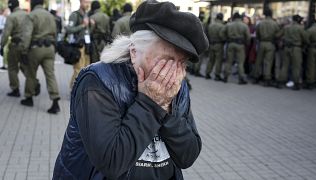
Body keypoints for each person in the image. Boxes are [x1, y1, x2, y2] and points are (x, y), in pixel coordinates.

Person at [53, 1, 207, 179]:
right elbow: (112, 163)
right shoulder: (98, 82)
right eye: (165, 60)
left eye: (181, 63)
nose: (172, 73)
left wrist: (167, 110)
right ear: (134, 52)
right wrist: (151, 103)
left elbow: (188, 156)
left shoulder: (177, 84)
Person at [20, 0, 60, 113]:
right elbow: (55, 32)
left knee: (31, 74)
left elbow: (27, 34)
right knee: (50, 75)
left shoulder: (31, 15)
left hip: (35, 49)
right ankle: (55, 101)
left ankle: (29, 98)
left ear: (33, 4)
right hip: (50, 48)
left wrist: (23, 51)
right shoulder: (50, 15)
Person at [0, 0, 28, 97]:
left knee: (12, 67)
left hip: (15, 45)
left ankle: (15, 89)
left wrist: (2, 45)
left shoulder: (11, 17)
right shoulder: (27, 15)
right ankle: (34, 83)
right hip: (26, 45)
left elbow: (6, 33)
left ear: (11, 7)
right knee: (25, 66)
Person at [276, 15, 308, 90]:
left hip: (286, 48)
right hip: (296, 49)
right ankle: (296, 84)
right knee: (296, 66)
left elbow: (278, 35)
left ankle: (280, 82)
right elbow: (306, 39)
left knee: (284, 66)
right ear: (298, 20)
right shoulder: (300, 28)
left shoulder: (286, 27)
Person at [65, 0, 92, 88]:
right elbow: (69, 29)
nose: (87, 4)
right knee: (78, 69)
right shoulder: (75, 15)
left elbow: (86, 32)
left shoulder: (86, 15)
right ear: (81, 2)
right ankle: (73, 90)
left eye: (89, 2)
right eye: (86, 2)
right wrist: (83, 25)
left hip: (86, 46)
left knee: (86, 69)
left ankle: (80, 89)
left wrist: (91, 25)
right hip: (78, 46)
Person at [253, 8, 280, 86]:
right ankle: (266, 79)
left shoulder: (260, 23)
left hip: (261, 43)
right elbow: (278, 34)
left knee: (258, 61)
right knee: (268, 62)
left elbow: (257, 34)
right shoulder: (274, 24)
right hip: (270, 44)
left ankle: (256, 77)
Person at [222, 12, 250, 84]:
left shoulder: (229, 25)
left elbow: (221, 33)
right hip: (240, 45)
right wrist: (246, 43)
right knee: (240, 62)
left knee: (229, 61)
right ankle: (241, 79)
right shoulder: (244, 25)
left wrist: (226, 39)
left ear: (233, 17)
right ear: (240, 18)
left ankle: (225, 77)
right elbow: (248, 37)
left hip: (231, 44)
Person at [206, 13, 225, 80]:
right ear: (222, 18)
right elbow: (222, 36)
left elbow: (207, 34)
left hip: (211, 44)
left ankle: (207, 73)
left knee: (211, 60)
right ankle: (217, 75)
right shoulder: (222, 26)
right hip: (219, 44)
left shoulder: (211, 25)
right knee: (218, 60)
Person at [305, 19, 316, 89]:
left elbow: (306, 39)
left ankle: (310, 81)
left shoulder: (310, 30)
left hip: (312, 48)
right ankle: (315, 80)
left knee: (311, 66)